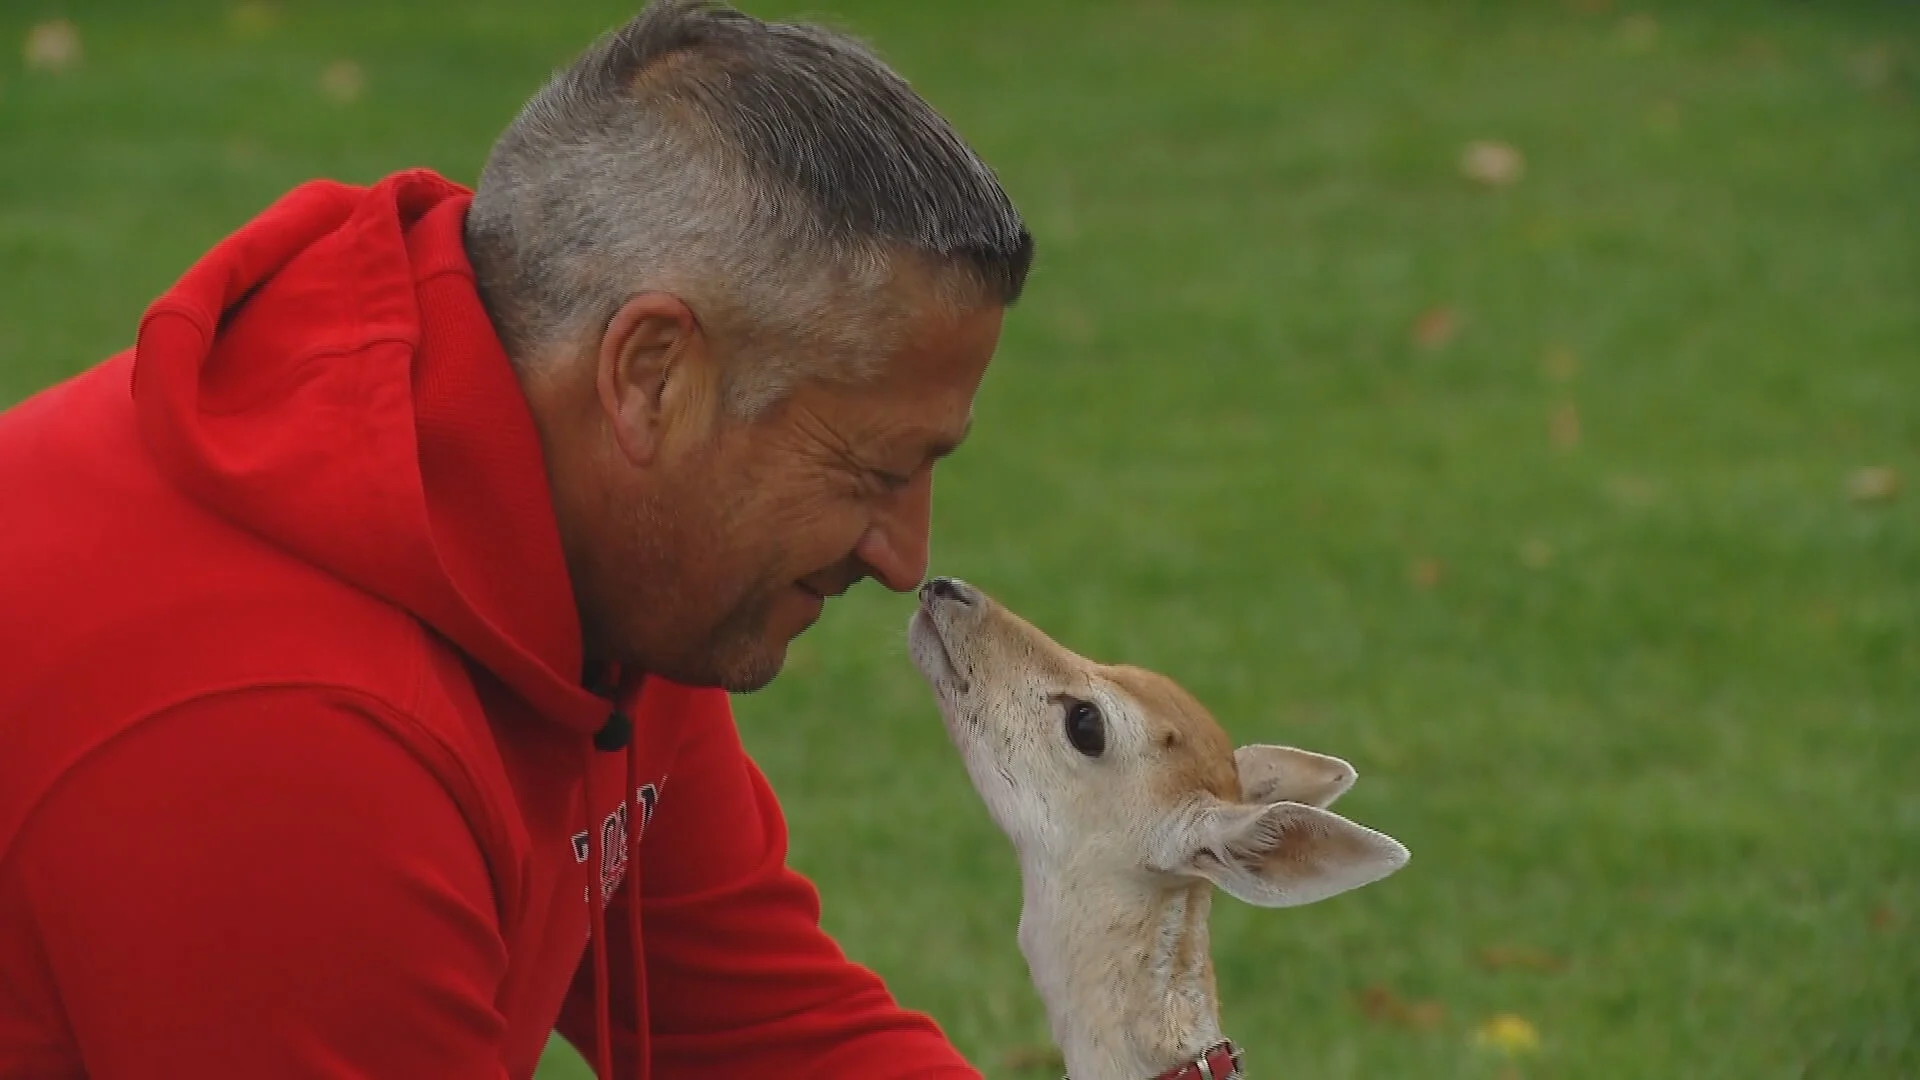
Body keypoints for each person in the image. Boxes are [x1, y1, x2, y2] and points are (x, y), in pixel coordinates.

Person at [0, 1, 1033, 1076]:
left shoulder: (613, 554)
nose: (904, 557)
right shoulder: (289, 740)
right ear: (651, 376)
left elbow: (773, 1034)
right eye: (871, 472)